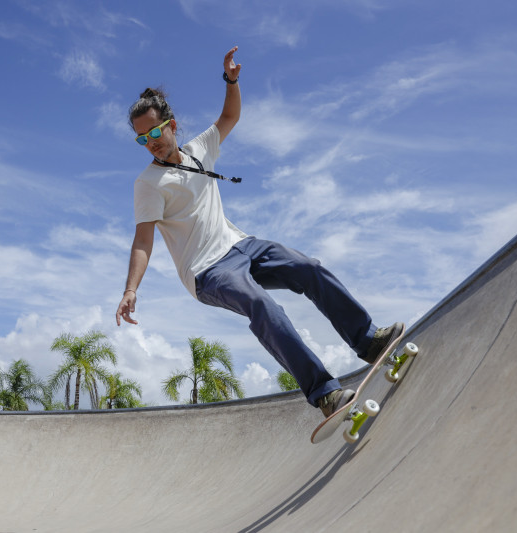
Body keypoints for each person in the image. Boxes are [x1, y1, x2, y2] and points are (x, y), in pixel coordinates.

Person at [115, 46, 403, 418]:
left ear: (170, 125)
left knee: (309, 269)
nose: (150, 142)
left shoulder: (200, 148)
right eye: (142, 138)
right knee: (263, 306)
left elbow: (230, 115)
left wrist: (231, 80)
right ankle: (325, 393)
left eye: (154, 132)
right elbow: (143, 239)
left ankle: (368, 342)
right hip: (208, 272)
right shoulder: (148, 183)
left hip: (241, 245)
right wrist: (130, 289)